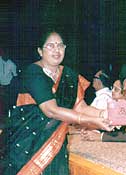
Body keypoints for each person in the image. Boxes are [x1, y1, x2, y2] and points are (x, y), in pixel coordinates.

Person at [1, 30, 113, 175]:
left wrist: (106, 114)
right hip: (27, 144)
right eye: (50, 46)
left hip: (55, 144)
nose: (56, 50)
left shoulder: (70, 75)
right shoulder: (33, 72)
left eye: (60, 45)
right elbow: (50, 110)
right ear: (40, 51)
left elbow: (80, 107)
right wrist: (93, 121)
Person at [0, 48, 18, 114]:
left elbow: (15, 75)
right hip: (0, 84)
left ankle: (8, 113)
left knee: (7, 101)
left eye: (7, 54)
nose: (5, 55)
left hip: (8, 85)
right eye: (4, 53)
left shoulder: (12, 64)